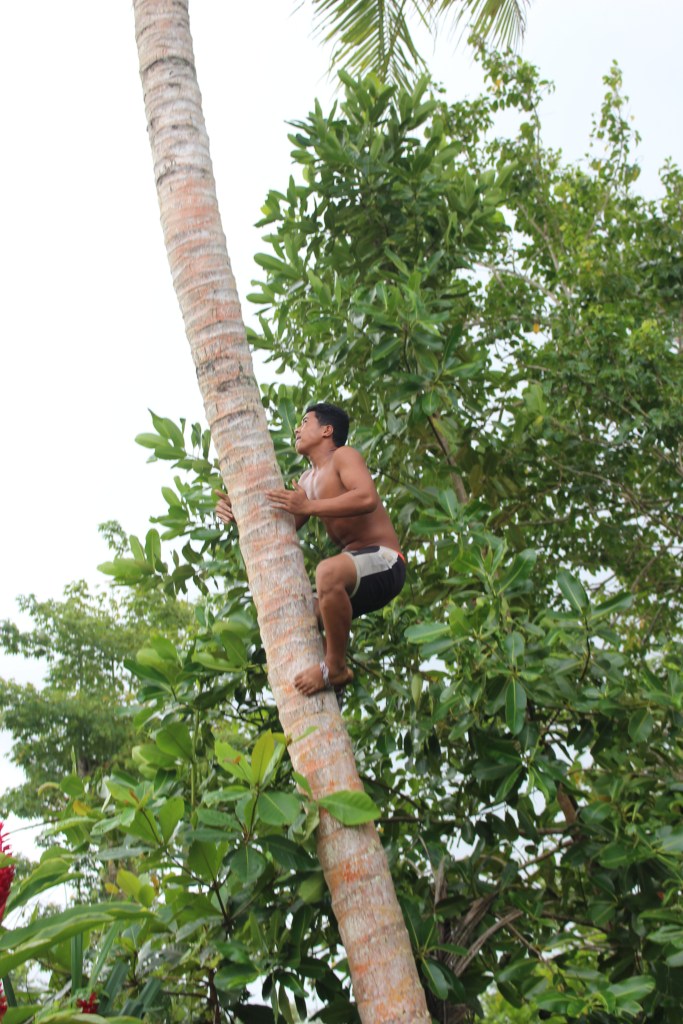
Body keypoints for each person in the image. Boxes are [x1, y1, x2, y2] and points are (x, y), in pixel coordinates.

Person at [215, 402, 406, 699]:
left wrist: (309, 505)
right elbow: (283, 529)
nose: (297, 429)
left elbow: (366, 498)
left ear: (327, 430)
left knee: (326, 572)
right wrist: (238, 512)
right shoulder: (306, 480)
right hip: (355, 572)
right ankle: (337, 683)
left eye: (305, 422)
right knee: (302, 613)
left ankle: (334, 667)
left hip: (386, 561)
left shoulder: (344, 456)